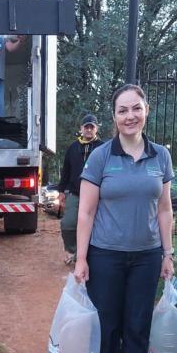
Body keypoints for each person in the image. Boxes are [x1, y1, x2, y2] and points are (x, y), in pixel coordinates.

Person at [74, 84, 174, 353]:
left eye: (136, 108)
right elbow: (85, 212)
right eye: (122, 110)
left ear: (146, 110)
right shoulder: (101, 156)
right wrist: (81, 258)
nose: (129, 116)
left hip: (146, 259)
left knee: (136, 333)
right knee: (107, 331)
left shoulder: (161, 156)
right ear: (113, 117)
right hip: (106, 258)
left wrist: (168, 254)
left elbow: (164, 210)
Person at [57, 114, 103, 265]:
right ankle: (73, 251)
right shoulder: (73, 147)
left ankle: (92, 256)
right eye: (86, 127)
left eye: (92, 127)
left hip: (98, 195)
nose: (89, 129)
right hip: (76, 193)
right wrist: (61, 191)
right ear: (81, 129)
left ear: (96, 129)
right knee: (68, 224)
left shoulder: (103, 147)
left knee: (97, 226)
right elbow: (66, 170)